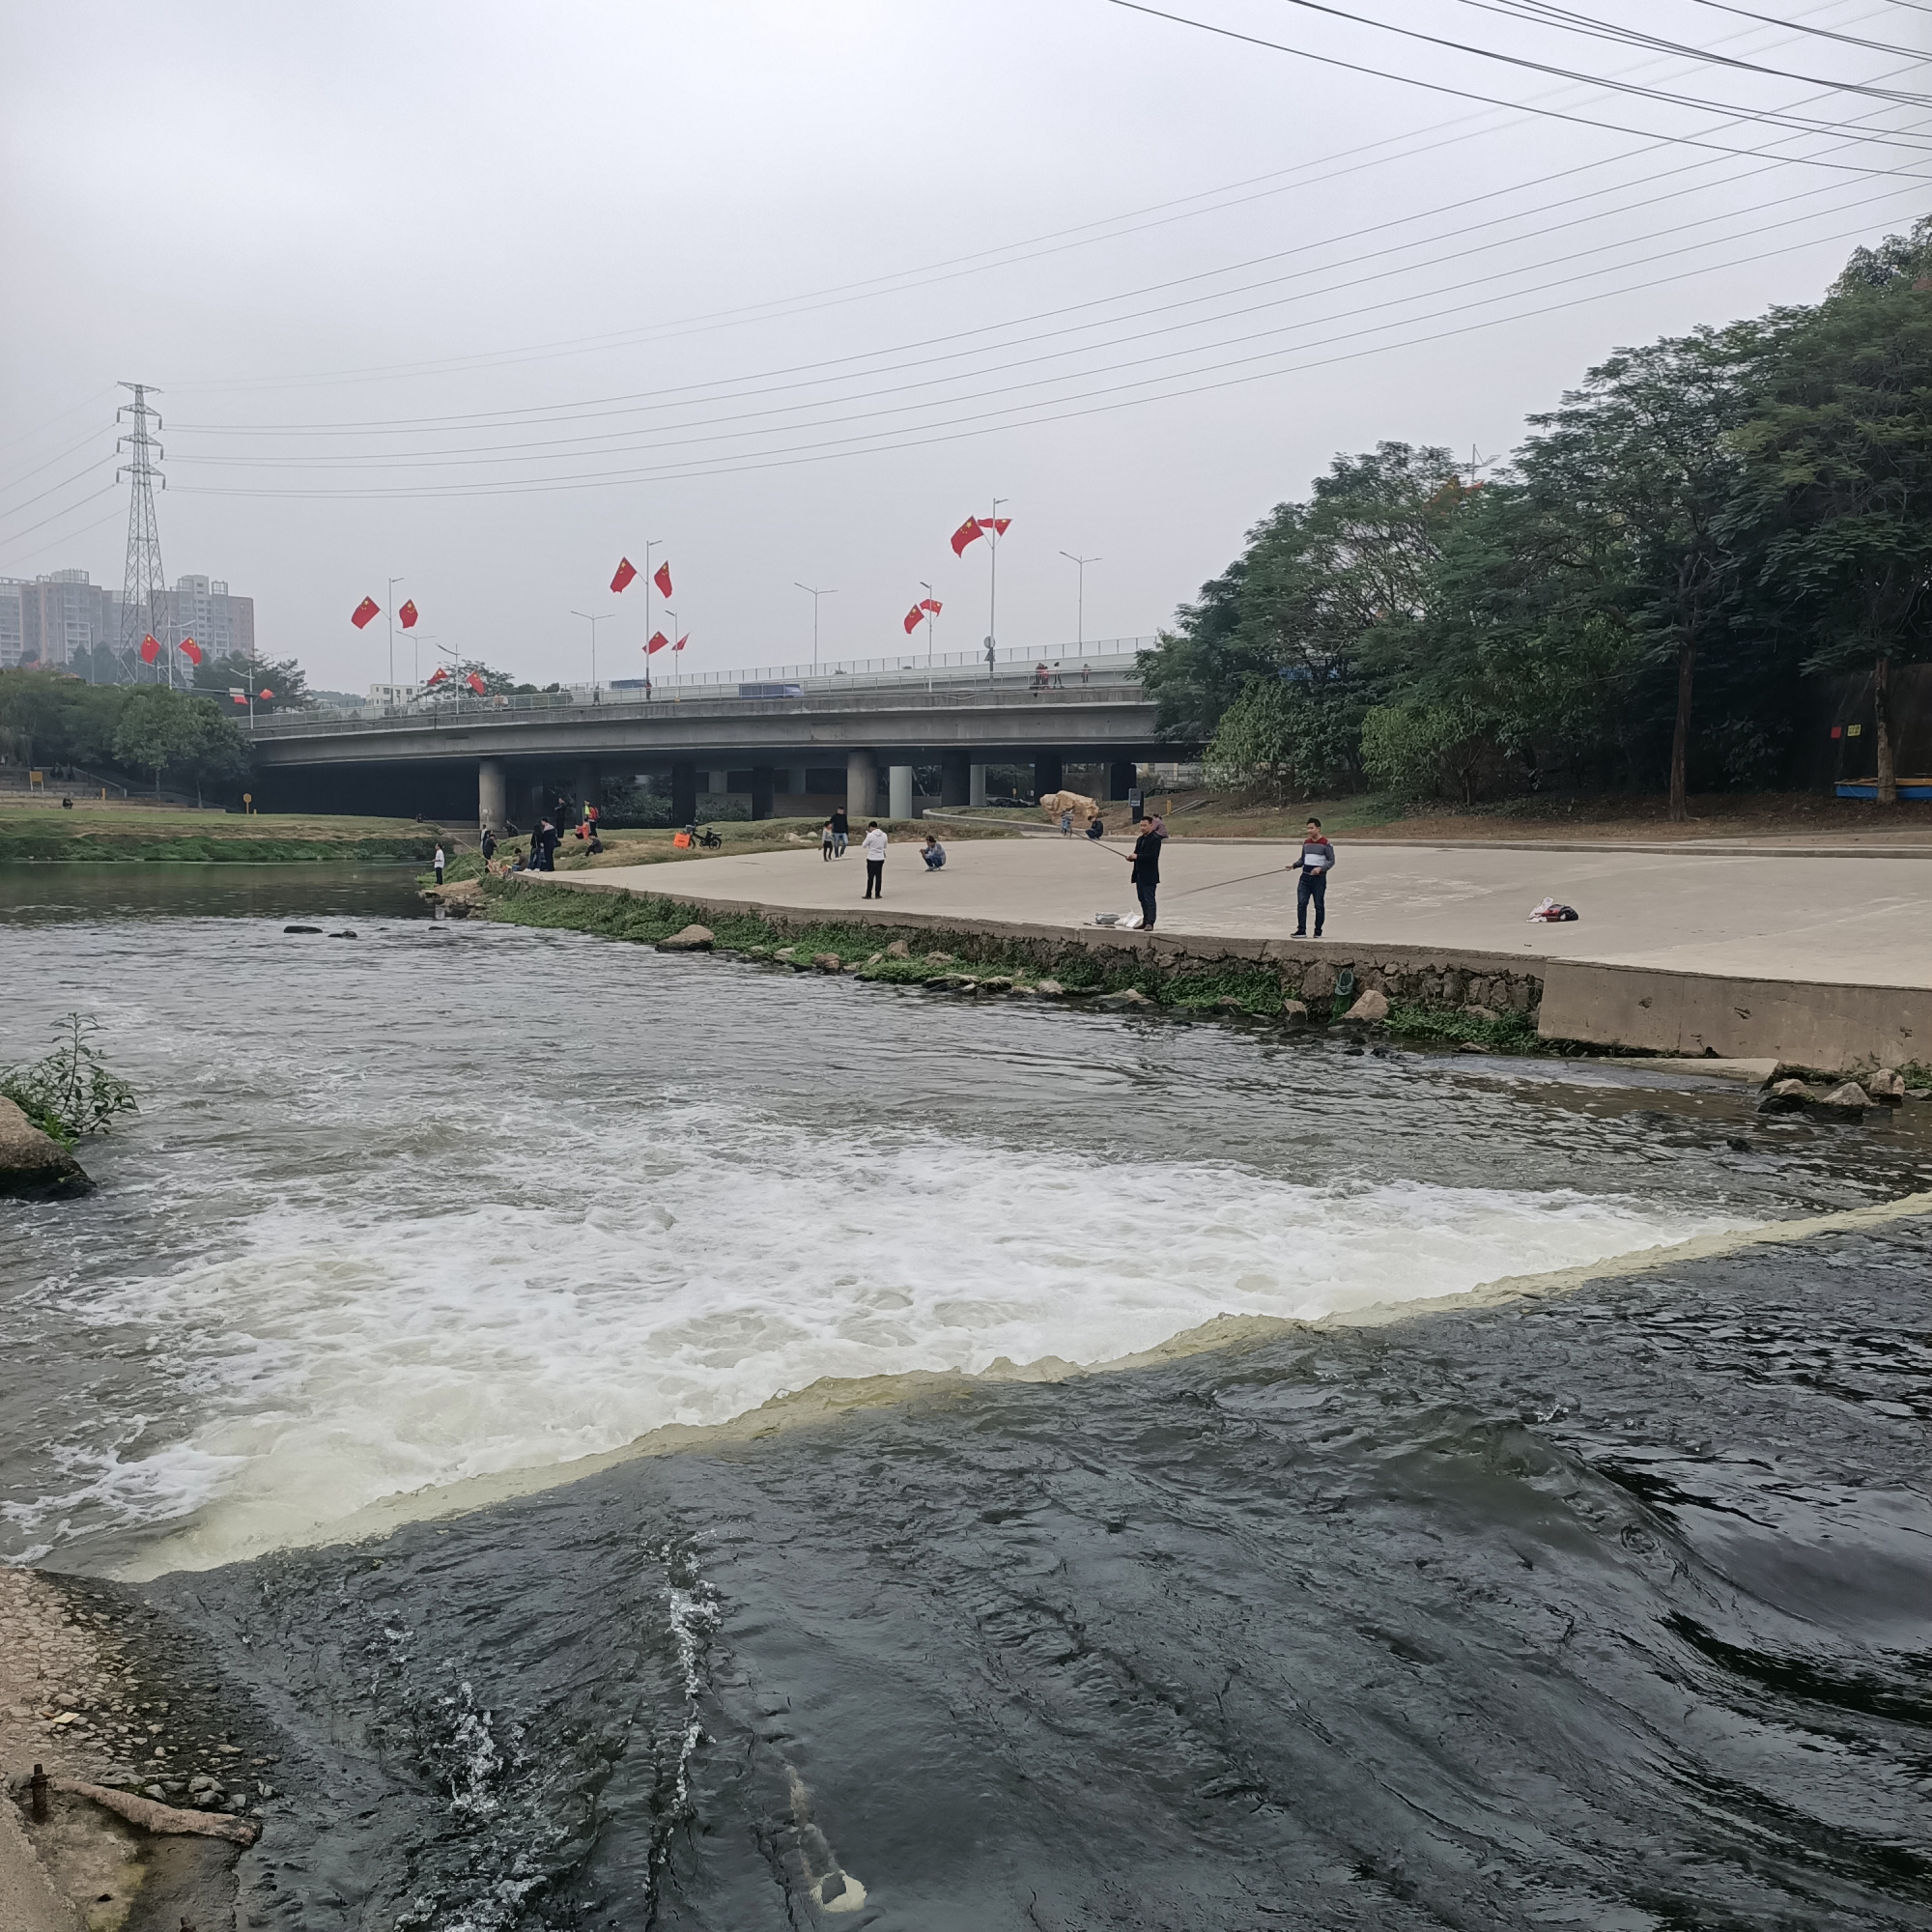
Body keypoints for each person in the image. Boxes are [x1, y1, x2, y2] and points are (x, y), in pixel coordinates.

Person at [1293, 817, 1335, 937]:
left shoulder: (1326, 844)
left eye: (1311, 828)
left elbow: (1331, 861)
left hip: (1319, 880)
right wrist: (1294, 865)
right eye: (1308, 828)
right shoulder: (1306, 843)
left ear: (1318, 828)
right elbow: (1303, 859)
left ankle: (1318, 931)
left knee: (1318, 905)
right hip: (1305, 878)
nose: (1309, 831)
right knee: (1301, 903)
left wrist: (1321, 869)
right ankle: (1301, 930)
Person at [1130, 812, 1161, 930]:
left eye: (1145, 825)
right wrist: (1131, 858)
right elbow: (1137, 853)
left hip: (1149, 875)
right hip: (1139, 874)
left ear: (1151, 825)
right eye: (1141, 826)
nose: (1142, 828)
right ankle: (1145, 920)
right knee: (1142, 899)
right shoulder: (1140, 840)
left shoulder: (1155, 840)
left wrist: (1137, 857)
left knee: (1150, 899)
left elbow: (1153, 856)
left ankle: (1151, 922)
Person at [863, 820, 888, 898]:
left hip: (871, 858)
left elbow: (864, 845)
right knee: (878, 876)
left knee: (870, 877)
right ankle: (877, 894)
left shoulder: (870, 835)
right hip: (880, 858)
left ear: (871, 827)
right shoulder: (884, 835)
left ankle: (869, 894)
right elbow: (885, 846)